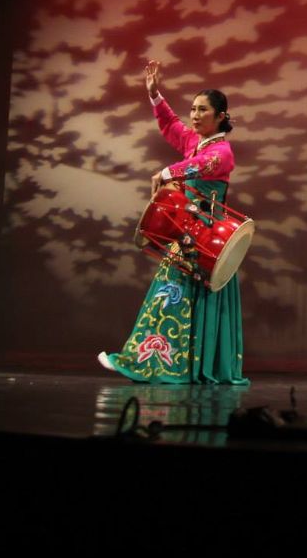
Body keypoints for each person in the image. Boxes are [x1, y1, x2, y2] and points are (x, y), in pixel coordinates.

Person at [98, 61, 246, 384]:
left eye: (202, 110)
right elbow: (171, 126)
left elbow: (200, 166)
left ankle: (172, 364)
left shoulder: (222, 152)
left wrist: (167, 173)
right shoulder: (197, 141)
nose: (193, 116)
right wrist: (155, 96)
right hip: (187, 236)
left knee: (176, 296)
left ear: (221, 116)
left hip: (208, 239)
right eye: (192, 109)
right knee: (167, 296)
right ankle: (157, 360)